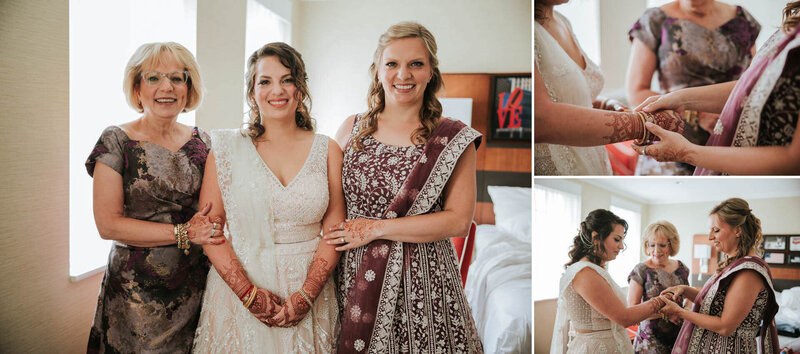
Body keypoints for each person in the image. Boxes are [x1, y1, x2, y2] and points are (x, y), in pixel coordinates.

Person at [324, 22, 483, 353]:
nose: (403, 75)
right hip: (352, 277)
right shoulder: (350, 129)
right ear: (378, 71)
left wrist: (376, 229)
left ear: (430, 72)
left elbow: (458, 221)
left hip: (423, 284)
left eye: (415, 64)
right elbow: (325, 200)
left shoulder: (454, 138)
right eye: (392, 64)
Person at [192, 42, 344, 353]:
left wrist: (307, 294)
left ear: (300, 90)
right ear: (251, 92)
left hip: (309, 289)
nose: (277, 90)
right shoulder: (224, 151)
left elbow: (335, 231)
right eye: (265, 81)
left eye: (287, 80)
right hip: (241, 289)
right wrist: (248, 294)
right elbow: (211, 232)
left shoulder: (327, 150)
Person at [85, 42, 224, 353]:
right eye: (153, 78)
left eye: (177, 78)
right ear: (137, 89)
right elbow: (107, 225)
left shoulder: (205, 142)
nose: (167, 87)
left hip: (195, 288)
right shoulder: (115, 140)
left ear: (189, 89)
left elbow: (213, 215)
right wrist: (183, 233)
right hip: (135, 297)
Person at [631, 1, 800, 175]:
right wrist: (689, 107)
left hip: (735, 151)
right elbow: (637, 91)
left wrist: (688, 150)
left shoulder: (743, 21)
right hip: (673, 140)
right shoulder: (655, 20)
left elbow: (753, 86)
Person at [534, 0, 686, 175]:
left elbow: (569, 93)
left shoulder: (562, 20)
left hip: (593, 162)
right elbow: (541, 119)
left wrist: (606, 105)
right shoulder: (530, 30)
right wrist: (643, 124)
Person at [659, 198, 780, 353]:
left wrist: (680, 312)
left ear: (737, 230)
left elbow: (725, 326)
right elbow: (716, 304)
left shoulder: (749, 272)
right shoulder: (733, 266)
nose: (710, 237)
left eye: (716, 230)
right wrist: (685, 289)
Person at [551, 209, 670, 354]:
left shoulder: (593, 270)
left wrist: (665, 311)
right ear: (596, 237)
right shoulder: (585, 273)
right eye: (617, 239)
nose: (621, 246)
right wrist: (661, 300)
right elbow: (624, 317)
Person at [626, 221, 689, 353]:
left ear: (671, 245)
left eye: (662, 245)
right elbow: (633, 309)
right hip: (650, 341)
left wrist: (685, 311)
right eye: (652, 245)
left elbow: (687, 296)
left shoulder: (682, 268)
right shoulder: (641, 270)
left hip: (679, 336)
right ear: (646, 246)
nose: (656, 251)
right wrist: (667, 314)